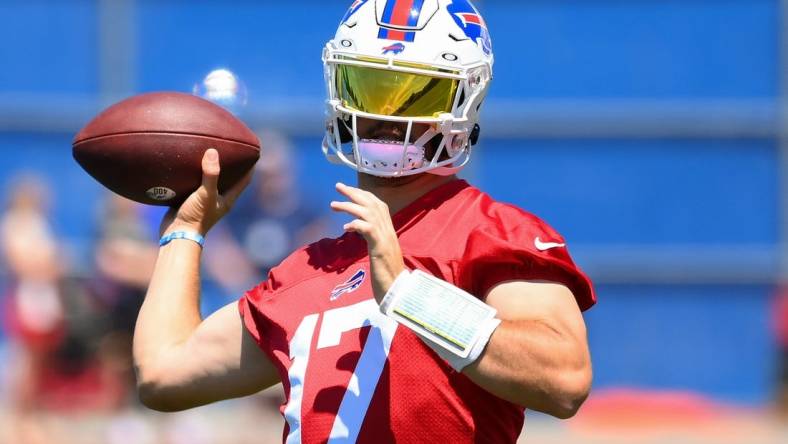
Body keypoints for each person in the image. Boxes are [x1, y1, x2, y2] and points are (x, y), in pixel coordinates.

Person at [133, 1, 596, 442]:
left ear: (462, 100)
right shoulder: (309, 271)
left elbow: (564, 379)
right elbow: (163, 373)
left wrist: (407, 292)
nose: (386, 115)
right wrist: (185, 230)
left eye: (417, 93)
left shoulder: (490, 232)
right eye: (369, 87)